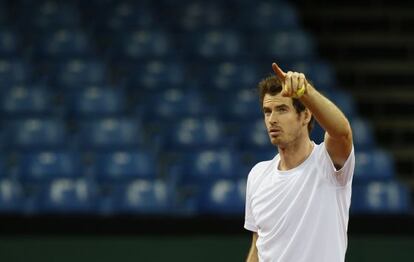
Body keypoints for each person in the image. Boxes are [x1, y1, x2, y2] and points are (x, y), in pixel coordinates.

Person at [244, 63, 355, 262]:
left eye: (281, 109)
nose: (272, 120)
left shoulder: (327, 162)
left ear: (305, 115)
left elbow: (342, 132)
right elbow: (258, 247)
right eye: (267, 111)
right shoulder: (257, 175)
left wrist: (305, 92)